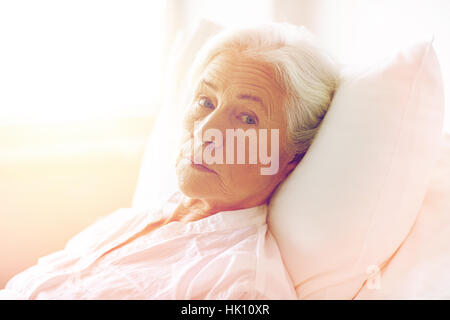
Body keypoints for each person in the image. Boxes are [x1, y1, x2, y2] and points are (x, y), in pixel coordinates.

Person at [0, 23, 339, 299]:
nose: (207, 130)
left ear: (290, 160)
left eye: (247, 119)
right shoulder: (134, 220)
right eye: (205, 101)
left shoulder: (240, 285)